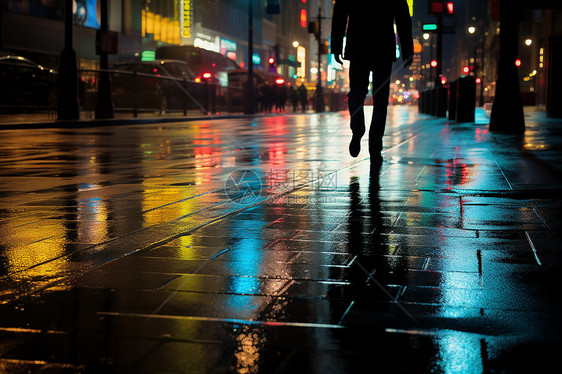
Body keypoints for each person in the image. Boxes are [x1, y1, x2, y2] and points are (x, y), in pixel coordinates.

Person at [331, 0, 413, 164]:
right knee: (380, 100)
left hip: (357, 45)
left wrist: (336, 45)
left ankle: (357, 129)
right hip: (383, 47)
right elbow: (403, 17)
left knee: (356, 93)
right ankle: (375, 146)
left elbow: (340, 13)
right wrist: (408, 49)